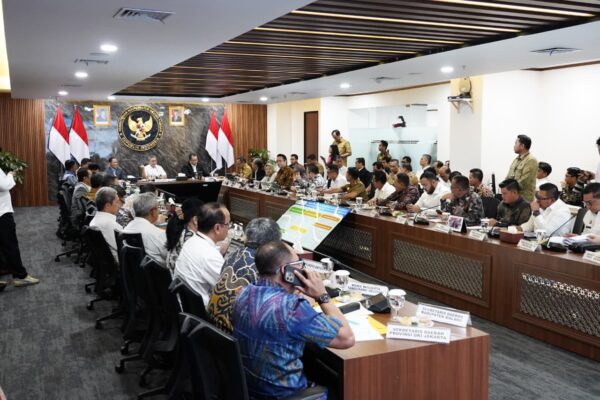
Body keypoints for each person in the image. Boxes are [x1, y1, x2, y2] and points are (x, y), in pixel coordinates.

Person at [232, 241, 354, 399]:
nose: (302, 269)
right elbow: (346, 338)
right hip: (286, 395)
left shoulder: (242, 294)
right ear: (286, 270)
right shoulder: (292, 308)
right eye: (298, 264)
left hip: (251, 392)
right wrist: (322, 296)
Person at [207, 217, 282, 333]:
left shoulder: (234, 253)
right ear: (273, 245)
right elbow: (275, 309)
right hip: (234, 336)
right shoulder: (263, 267)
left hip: (212, 327)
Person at [174, 203, 230, 306]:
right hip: (200, 311)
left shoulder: (191, 241)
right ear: (217, 228)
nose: (229, 228)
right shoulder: (210, 256)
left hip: (183, 304)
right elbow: (227, 289)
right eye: (228, 224)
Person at [0, 167, 39, 288]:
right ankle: (20, 276)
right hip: (2, 213)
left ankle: (4, 268)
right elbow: (4, 185)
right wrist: (10, 175)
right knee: (10, 245)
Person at [123, 192, 168, 267]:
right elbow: (169, 257)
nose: (159, 211)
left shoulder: (127, 228)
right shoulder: (158, 234)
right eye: (158, 208)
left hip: (134, 271)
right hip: (157, 272)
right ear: (153, 211)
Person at [165, 198, 203, 272]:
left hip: (175, 275)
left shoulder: (179, 229)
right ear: (195, 220)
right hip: (183, 275)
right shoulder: (191, 239)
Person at [89, 187, 123, 262]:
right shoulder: (111, 224)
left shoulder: (97, 218)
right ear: (107, 205)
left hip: (106, 261)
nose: (120, 205)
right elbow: (124, 248)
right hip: (120, 262)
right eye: (117, 202)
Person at [506, 134, 538, 202]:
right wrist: (504, 186)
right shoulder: (516, 159)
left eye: (516, 143)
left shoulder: (531, 160)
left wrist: (507, 189)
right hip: (512, 197)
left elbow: (523, 182)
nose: (514, 146)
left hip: (523, 200)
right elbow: (508, 176)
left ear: (522, 146)